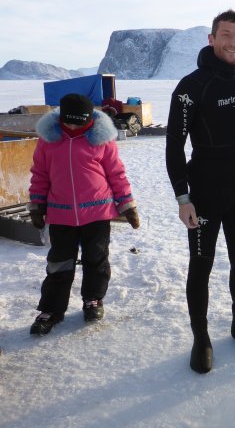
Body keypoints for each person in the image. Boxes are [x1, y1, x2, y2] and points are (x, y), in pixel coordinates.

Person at [166, 9, 235, 374]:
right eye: (226, 35)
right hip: (203, 189)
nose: (232, 43)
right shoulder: (191, 87)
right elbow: (174, 145)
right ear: (212, 38)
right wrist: (183, 197)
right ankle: (201, 338)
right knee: (201, 265)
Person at [28, 93, 140, 335]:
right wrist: (37, 205)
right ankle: (52, 310)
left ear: (90, 120)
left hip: (97, 213)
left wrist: (127, 205)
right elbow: (40, 175)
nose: (73, 127)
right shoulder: (48, 140)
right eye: (68, 122)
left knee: (96, 259)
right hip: (61, 214)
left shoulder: (101, 140)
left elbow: (116, 175)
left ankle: (93, 299)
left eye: (79, 123)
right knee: (58, 264)